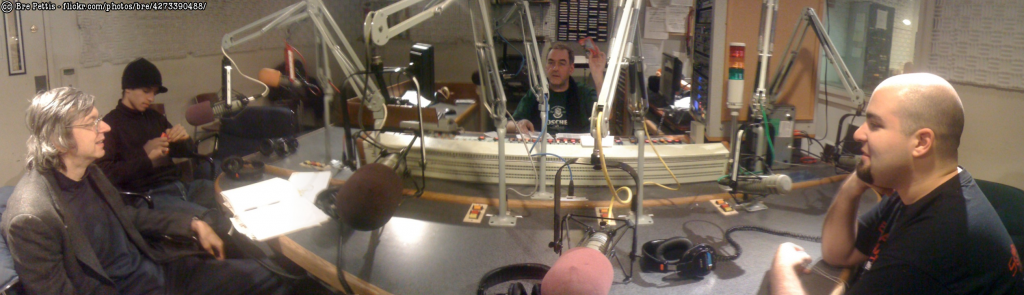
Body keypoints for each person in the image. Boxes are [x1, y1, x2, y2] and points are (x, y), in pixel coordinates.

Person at [2, 87, 295, 294]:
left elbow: (126, 216)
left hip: (158, 270)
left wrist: (191, 223)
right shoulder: (31, 217)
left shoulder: (88, 171)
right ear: (59, 140)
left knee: (270, 275)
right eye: (92, 123)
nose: (104, 127)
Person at [769, 73, 1023, 294]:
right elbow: (840, 253)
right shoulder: (918, 192)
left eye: (875, 124)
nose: (858, 134)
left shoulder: (937, 240)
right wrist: (854, 185)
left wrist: (781, 272)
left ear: (922, 143)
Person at [96, 58, 221, 215]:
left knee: (231, 196)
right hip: (150, 195)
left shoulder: (154, 117)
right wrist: (146, 157)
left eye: (154, 93)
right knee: (209, 218)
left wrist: (184, 140)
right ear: (128, 88)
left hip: (180, 185)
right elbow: (105, 174)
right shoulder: (110, 125)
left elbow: (185, 151)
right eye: (146, 91)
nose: (152, 98)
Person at [506, 42, 606, 135]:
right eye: (551, 63)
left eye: (561, 63)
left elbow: (606, 116)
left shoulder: (584, 93)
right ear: (546, 67)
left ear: (571, 69)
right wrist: (519, 125)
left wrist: (598, 75)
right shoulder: (535, 93)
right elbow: (508, 125)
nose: (555, 68)